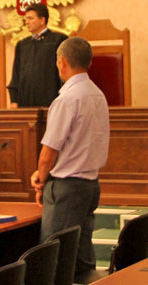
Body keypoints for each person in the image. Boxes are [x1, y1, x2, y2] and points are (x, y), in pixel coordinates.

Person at [30, 36, 110, 280]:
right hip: (90, 185)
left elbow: (49, 151)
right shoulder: (98, 95)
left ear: (62, 62)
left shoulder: (66, 99)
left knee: (53, 258)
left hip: (66, 188)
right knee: (82, 259)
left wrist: (40, 178)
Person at [7, 2, 67, 107]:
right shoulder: (22, 45)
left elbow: (65, 73)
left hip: (52, 103)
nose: (26, 22)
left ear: (42, 20)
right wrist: (14, 100)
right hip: (25, 104)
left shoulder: (59, 40)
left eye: (30, 18)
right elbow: (16, 75)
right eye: (25, 19)